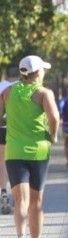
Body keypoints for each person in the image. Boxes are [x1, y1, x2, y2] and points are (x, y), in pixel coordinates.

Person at [0, 55, 60, 238]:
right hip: (38, 152)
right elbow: (54, 117)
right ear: (37, 74)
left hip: (14, 152)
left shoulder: (7, 92)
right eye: (43, 70)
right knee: (36, 202)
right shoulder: (43, 93)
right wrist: (53, 136)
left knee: (20, 200)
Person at [0, 71, 17, 215]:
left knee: (2, 164)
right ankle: (17, 197)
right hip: (13, 130)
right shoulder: (15, 90)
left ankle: (4, 194)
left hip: (1, 129)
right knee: (15, 163)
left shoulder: (2, 87)